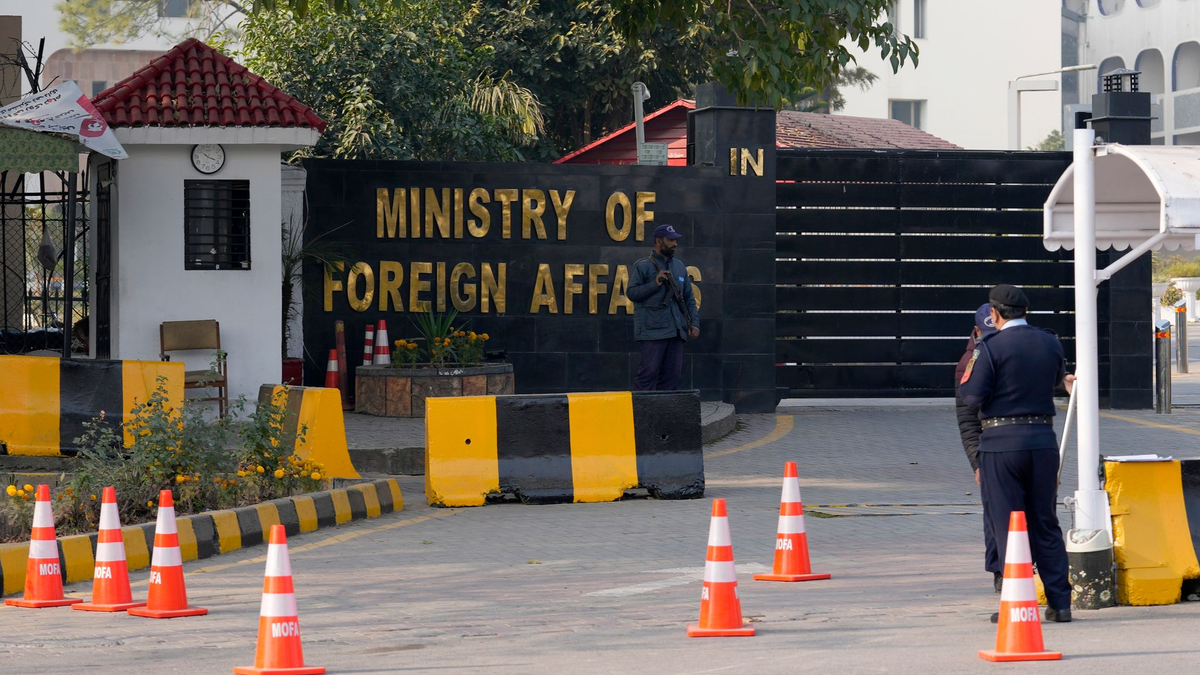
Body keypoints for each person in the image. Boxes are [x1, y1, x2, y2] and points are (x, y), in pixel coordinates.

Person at [959, 284, 1076, 623]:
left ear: (994, 315)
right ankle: (1060, 603)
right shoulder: (1049, 342)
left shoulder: (990, 347)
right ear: (1026, 312)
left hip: (1001, 443)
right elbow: (1057, 380)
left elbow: (971, 396)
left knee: (1008, 525)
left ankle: (1016, 602)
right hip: (1042, 440)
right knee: (1045, 521)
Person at [954, 304, 1000, 593]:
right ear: (976, 331)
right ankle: (999, 571)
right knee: (995, 513)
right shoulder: (968, 364)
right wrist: (976, 462)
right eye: (987, 335)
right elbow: (967, 421)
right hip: (990, 448)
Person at [627, 223, 700, 391]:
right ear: (658, 241)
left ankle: (664, 416)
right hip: (653, 331)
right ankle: (639, 414)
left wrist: (694, 323)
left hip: (676, 330)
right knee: (647, 375)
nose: (674, 244)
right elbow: (632, 293)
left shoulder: (679, 266)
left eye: (675, 240)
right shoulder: (643, 265)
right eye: (670, 240)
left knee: (672, 378)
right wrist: (655, 283)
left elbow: (689, 297)